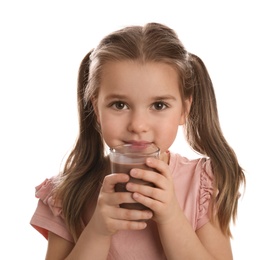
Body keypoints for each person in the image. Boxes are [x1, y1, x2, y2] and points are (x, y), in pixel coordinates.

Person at [30, 22, 245, 259]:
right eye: (119, 105)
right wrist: (98, 231)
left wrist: (171, 217)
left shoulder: (202, 185)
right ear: (96, 108)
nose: (138, 125)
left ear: (184, 110)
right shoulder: (68, 193)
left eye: (159, 105)